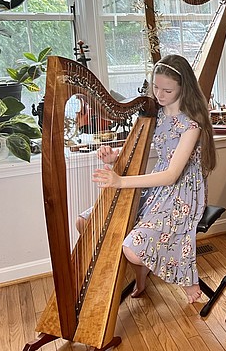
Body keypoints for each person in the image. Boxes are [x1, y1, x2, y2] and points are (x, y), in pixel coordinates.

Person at [88, 54, 216, 303]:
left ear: (183, 88)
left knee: (132, 249)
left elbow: (170, 175)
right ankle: (141, 275)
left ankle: (183, 277)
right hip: (157, 187)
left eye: (167, 90)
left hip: (182, 192)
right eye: (156, 87)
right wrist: (114, 157)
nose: (159, 94)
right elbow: (140, 151)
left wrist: (120, 181)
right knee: (90, 221)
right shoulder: (153, 116)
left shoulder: (191, 125)